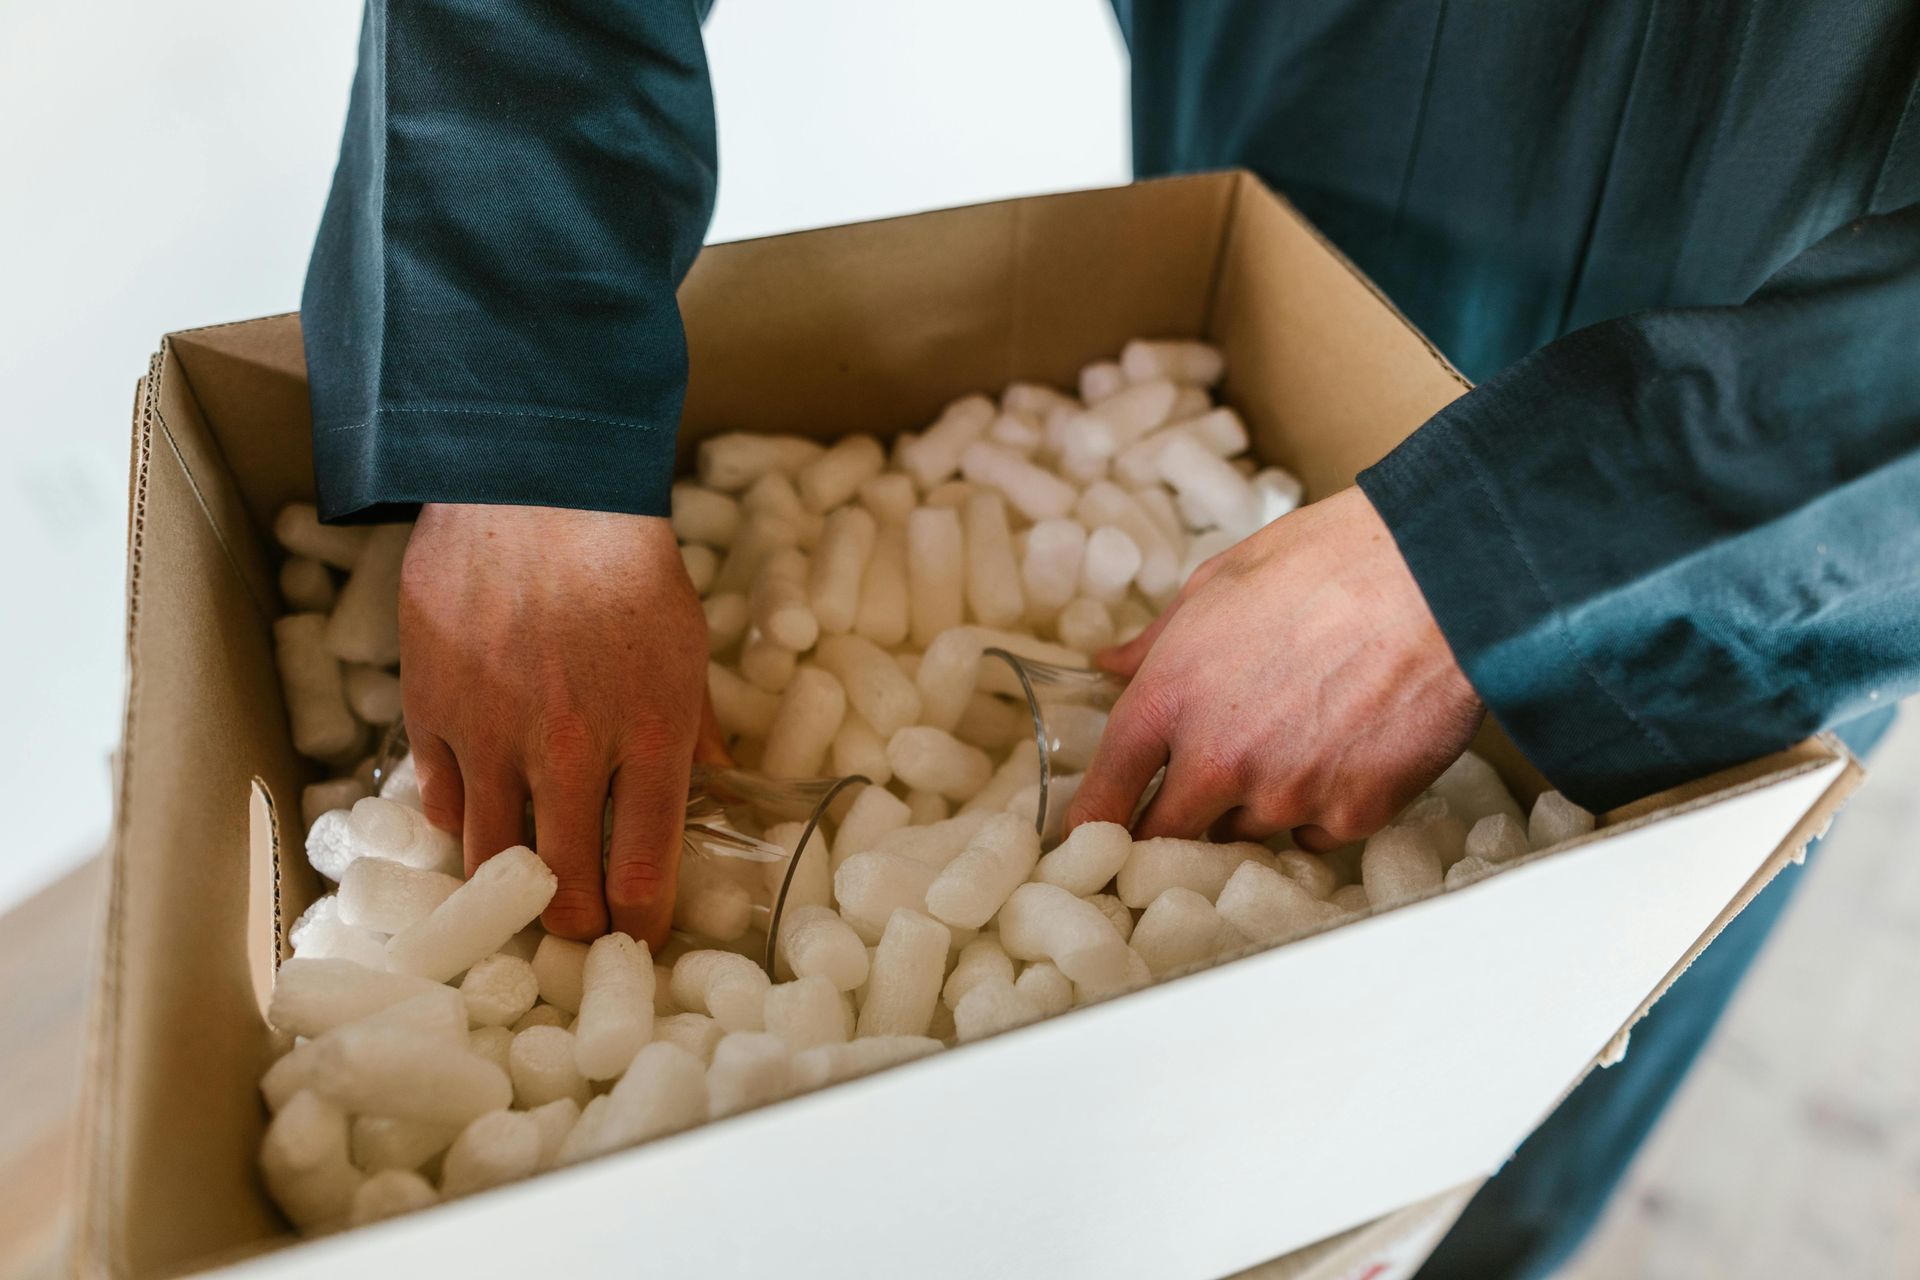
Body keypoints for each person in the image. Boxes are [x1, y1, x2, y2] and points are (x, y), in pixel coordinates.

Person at [300, 3, 1919, 1273]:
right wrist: (516, 418)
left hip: (1783, 497)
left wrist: (1518, 543)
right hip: (1300, 167)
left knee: (1463, 1156)